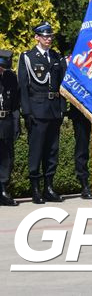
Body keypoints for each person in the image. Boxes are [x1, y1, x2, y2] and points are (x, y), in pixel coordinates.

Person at [19, 22, 65, 204]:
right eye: (45, 36)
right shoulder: (28, 57)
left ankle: (49, 187)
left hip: (54, 110)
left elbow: (63, 85)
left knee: (52, 151)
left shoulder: (56, 57)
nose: (48, 39)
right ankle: (35, 190)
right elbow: (23, 87)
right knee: (36, 151)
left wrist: (62, 108)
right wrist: (27, 112)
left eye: (50, 36)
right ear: (37, 37)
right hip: (37, 110)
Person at [0, 49, 20, 206]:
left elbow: (14, 105)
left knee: (6, 158)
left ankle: (3, 190)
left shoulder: (10, 77)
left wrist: (15, 124)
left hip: (5, 121)